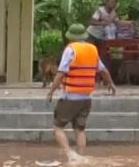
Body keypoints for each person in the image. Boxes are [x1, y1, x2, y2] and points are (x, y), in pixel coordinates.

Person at [48, 24, 117, 157]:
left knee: (58, 127)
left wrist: (51, 90)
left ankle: (70, 155)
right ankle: (81, 156)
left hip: (71, 96)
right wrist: (111, 84)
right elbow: (103, 70)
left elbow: (61, 73)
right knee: (79, 130)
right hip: (86, 97)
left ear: (70, 37)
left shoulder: (70, 50)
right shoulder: (92, 49)